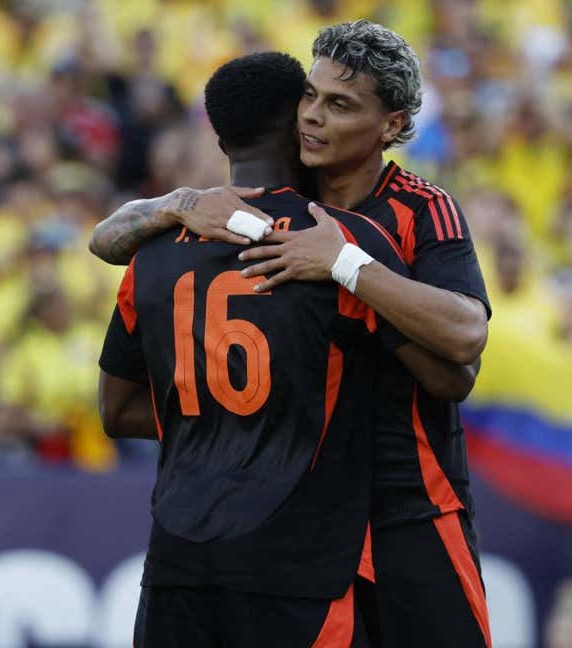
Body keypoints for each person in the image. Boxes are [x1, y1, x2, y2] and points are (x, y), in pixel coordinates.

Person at [90, 21, 491, 648]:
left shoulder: (418, 208)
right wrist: (172, 204)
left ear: (392, 125)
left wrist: (345, 266)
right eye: (310, 96)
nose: (314, 118)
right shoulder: (274, 203)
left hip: (407, 502)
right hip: (302, 513)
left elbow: (463, 351)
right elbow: (104, 240)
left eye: (340, 105)